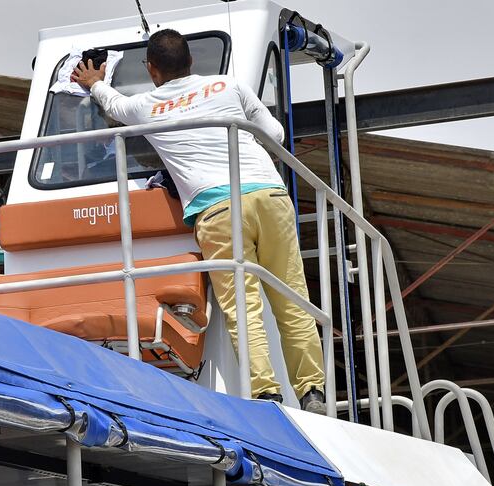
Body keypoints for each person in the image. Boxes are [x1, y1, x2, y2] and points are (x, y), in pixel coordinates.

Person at [71, 30, 327, 414]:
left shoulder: (145, 106)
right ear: (192, 63)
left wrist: (94, 82)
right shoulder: (230, 86)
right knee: (292, 299)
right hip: (269, 196)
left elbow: (114, 104)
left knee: (244, 308)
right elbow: (274, 134)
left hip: (218, 208)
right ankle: (313, 393)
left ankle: (267, 395)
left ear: (151, 70)